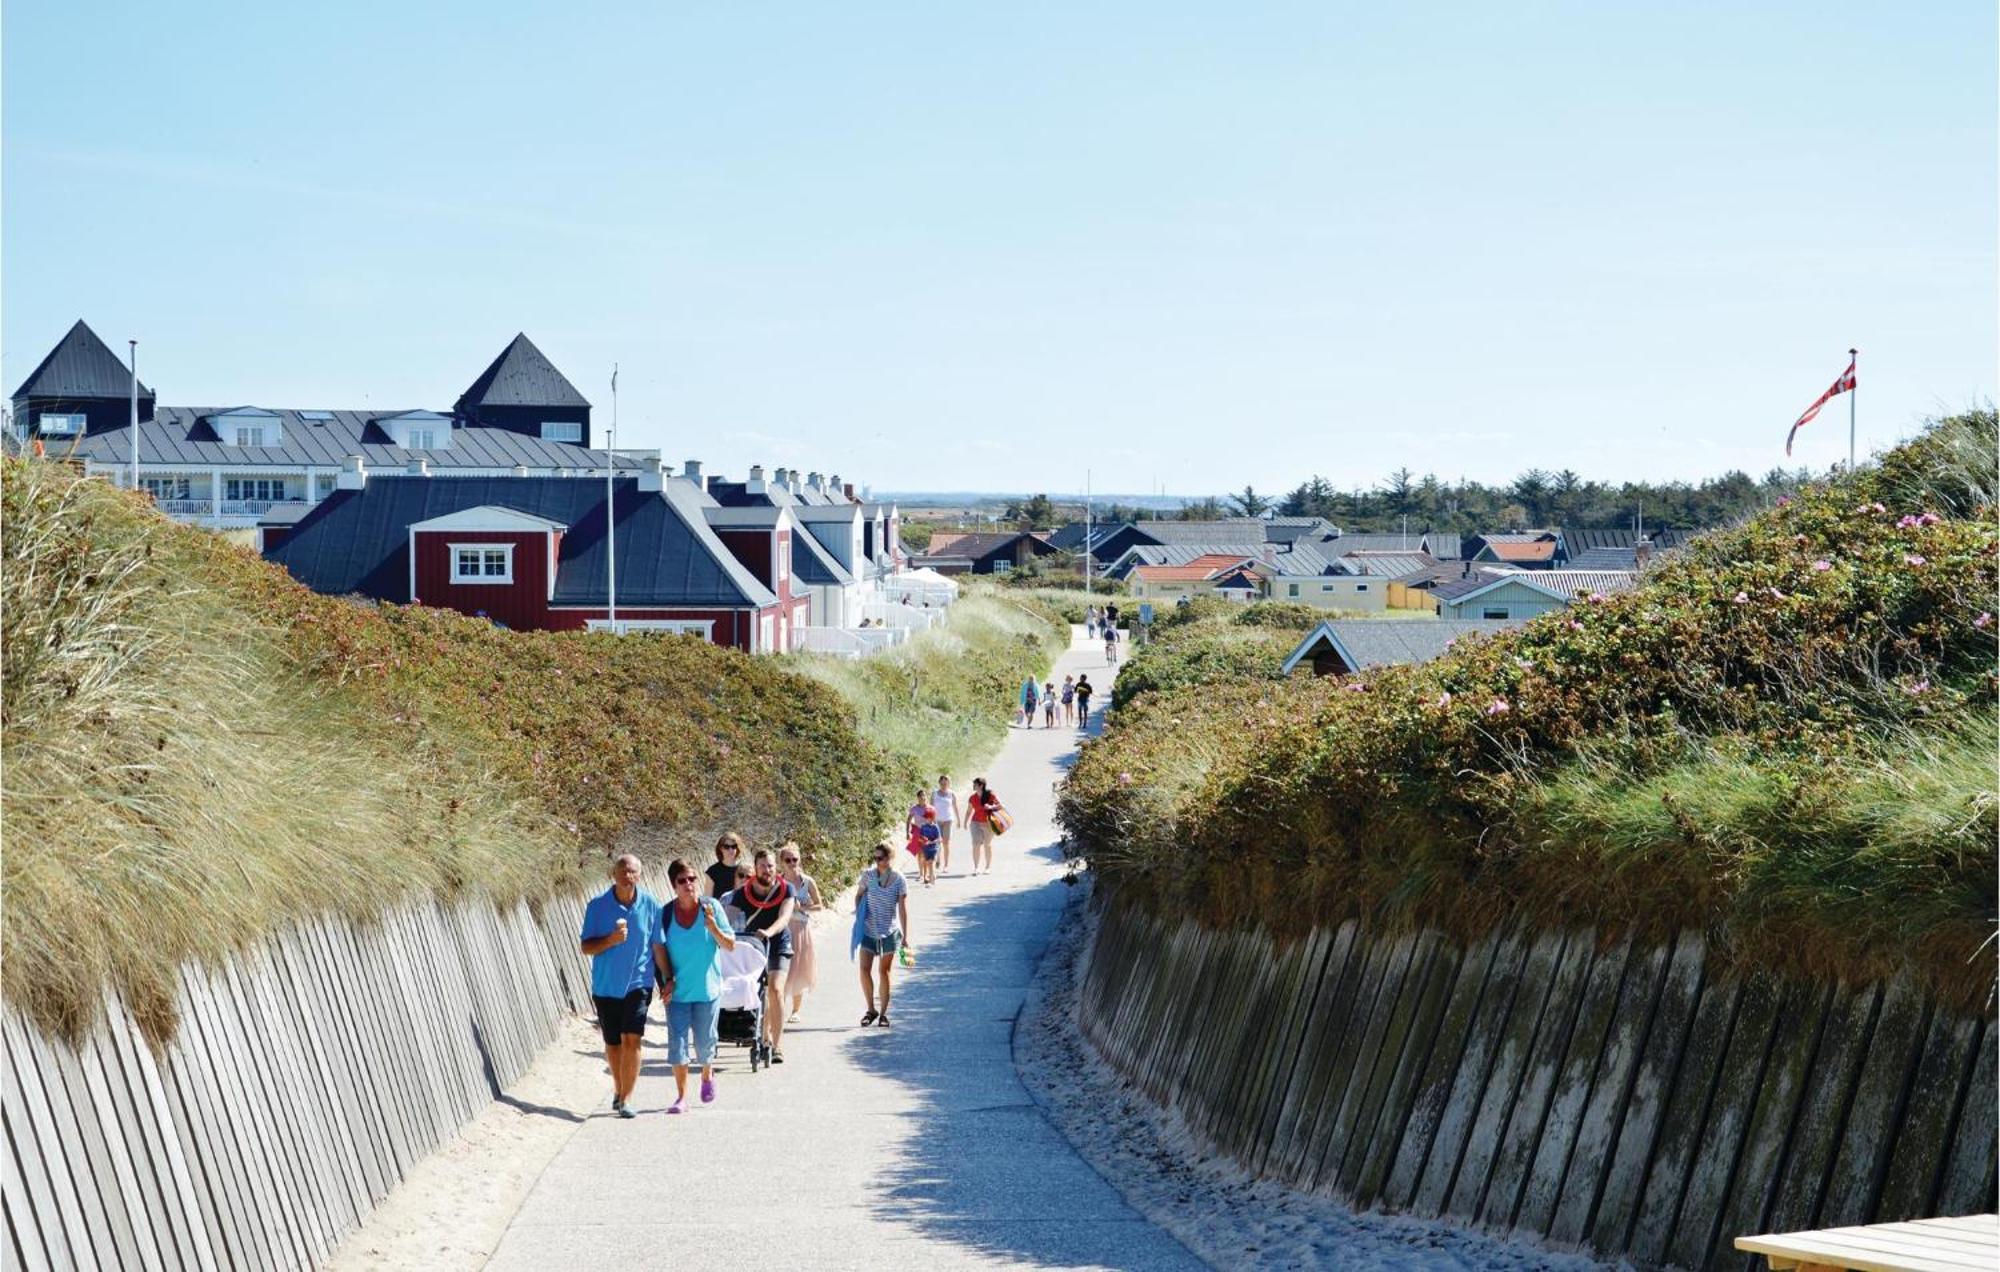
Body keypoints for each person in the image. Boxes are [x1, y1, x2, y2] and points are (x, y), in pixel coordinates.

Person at [578, 854, 663, 1118]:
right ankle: (618, 1089)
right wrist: (611, 940)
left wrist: (667, 980)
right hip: (606, 986)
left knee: (633, 1038)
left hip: (639, 982)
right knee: (613, 1044)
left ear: (640, 875)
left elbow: (658, 946)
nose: (628, 877)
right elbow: (586, 947)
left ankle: (626, 1098)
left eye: (633, 872)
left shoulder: (651, 905)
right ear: (613, 875)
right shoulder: (597, 906)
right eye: (623, 872)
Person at [654, 858, 737, 1113]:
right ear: (673, 885)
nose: (689, 884)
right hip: (678, 993)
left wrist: (713, 927)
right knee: (678, 1047)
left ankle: (706, 1074)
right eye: (683, 880)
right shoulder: (665, 913)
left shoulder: (711, 907)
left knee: (704, 1046)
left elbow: (730, 944)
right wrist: (667, 979)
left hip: (707, 991)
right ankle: (681, 1098)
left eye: (692, 879)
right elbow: (659, 948)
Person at [729, 848, 797, 1064]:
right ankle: (762, 1036)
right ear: (755, 868)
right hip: (753, 944)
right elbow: (727, 918)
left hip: (777, 942)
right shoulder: (742, 893)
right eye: (762, 866)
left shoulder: (787, 889)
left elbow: (785, 917)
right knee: (759, 991)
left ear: (775, 867)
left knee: (776, 989)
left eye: (770, 866)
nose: (767, 870)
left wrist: (769, 931)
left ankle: (778, 1046)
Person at [856, 843, 911, 1028]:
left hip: (889, 931)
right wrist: (858, 916)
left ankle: (884, 1014)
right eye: (875, 858)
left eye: (881, 858)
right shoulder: (869, 876)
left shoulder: (899, 879)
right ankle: (871, 1009)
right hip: (868, 929)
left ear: (889, 858)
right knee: (864, 969)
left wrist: (905, 936)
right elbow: (859, 895)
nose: (877, 862)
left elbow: (903, 909)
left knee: (884, 972)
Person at [778, 844, 821, 1021]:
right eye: (787, 860)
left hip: (802, 929)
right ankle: (778, 1007)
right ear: (781, 862)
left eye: (794, 859)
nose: (791, 863)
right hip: (783, 928)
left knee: (799, 969)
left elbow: (819, 905)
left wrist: (801, 906)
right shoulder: (777, 881)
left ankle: (796, 1010)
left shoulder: (807, 881)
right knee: (781, 968)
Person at [966, 777, 1003, 874]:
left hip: (988, 823)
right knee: (976, 844)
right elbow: (969, 811)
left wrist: (991, 806)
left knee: (987, 845)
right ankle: (976, 867)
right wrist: (965, 822)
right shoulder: (972, 798)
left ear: (981, 785)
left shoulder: (990, 794)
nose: (973, 786)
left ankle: (987, 867)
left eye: (975, 784)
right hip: (975, 823)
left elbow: (1000, 805)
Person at [931, 774, 958, 875]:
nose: (943, 785)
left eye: (945, 783)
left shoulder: (951, 794)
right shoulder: (934, 793)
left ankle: (946, 865)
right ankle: (938, 859)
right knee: (937, 842)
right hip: (936, 820)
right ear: (939, 783)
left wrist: (958, 820)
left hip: (948, 820)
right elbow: (931, 807)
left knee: (946, 843)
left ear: (949, 783)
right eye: (942, 783)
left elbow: (955, 807)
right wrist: (930, 820)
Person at [705, 832, 744, 899]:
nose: (730, 850)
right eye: (726, 847)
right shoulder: (712, 871)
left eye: (733, 846)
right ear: (720, 848)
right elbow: (708, 900)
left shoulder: (744, 870)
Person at [915, 807, 943, 885]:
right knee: (926, 862)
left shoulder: (935, 827)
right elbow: (919, 837)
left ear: (933, 818)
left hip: (933, 848)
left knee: (931, 862)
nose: (928, 819)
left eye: (930, 818)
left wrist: (931, 842)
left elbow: (939, 838)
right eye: (927, 818)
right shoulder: (923, 827)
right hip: (925, 848)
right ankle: (930, 877)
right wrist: (923, 841)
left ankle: (931, 880)